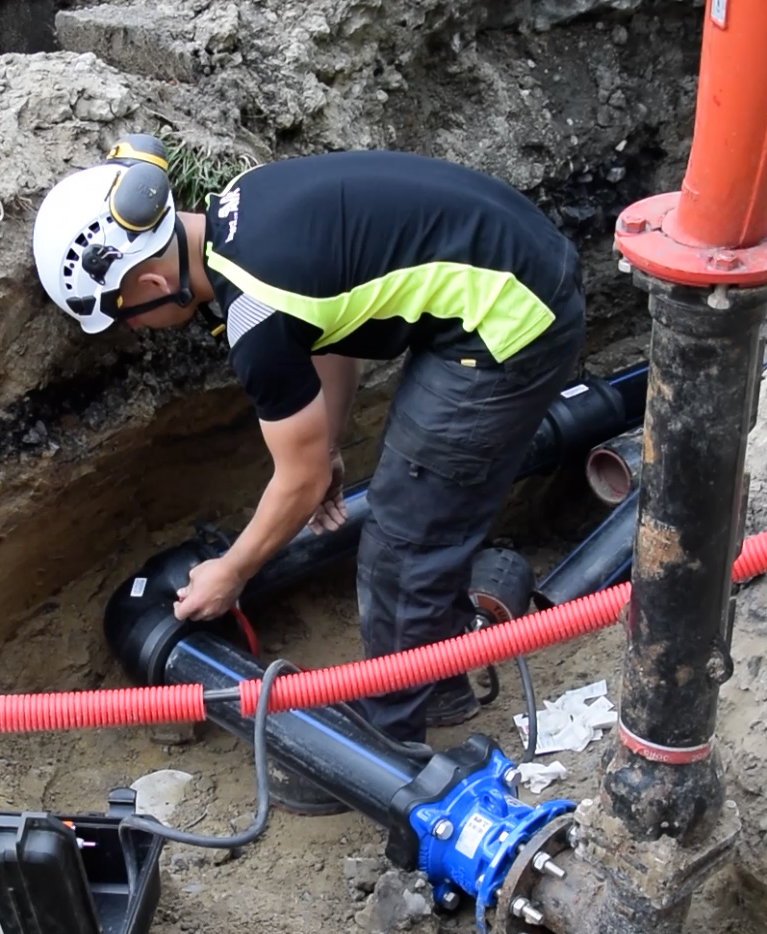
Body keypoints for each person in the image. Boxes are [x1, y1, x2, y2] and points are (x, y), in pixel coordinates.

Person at [32, 136, 585, 747]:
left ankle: (389, 748)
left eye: (124, 312)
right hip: (513, 264)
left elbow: (300, 481)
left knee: (402, 544)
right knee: (421, 511)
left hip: (513, 321)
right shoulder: (241, 205)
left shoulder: (256, 316)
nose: (134, 327)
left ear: (152, 280)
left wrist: (233, 571)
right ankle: (441, 684)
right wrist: (328, 443)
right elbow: (331, 328)